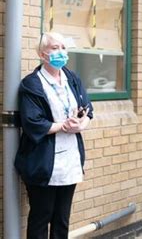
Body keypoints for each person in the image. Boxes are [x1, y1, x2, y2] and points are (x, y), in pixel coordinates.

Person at [15, 32, 93, 239]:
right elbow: (33, 123)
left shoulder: (72, 78)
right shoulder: (31, 84)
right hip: (42, 163)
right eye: (55, 48)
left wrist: (81, 123)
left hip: (70, 160)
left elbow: (88, 109)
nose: (61, 52)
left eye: (63, 48)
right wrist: (64, 125)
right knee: (41, 217)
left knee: (61, 219)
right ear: (42, 54)